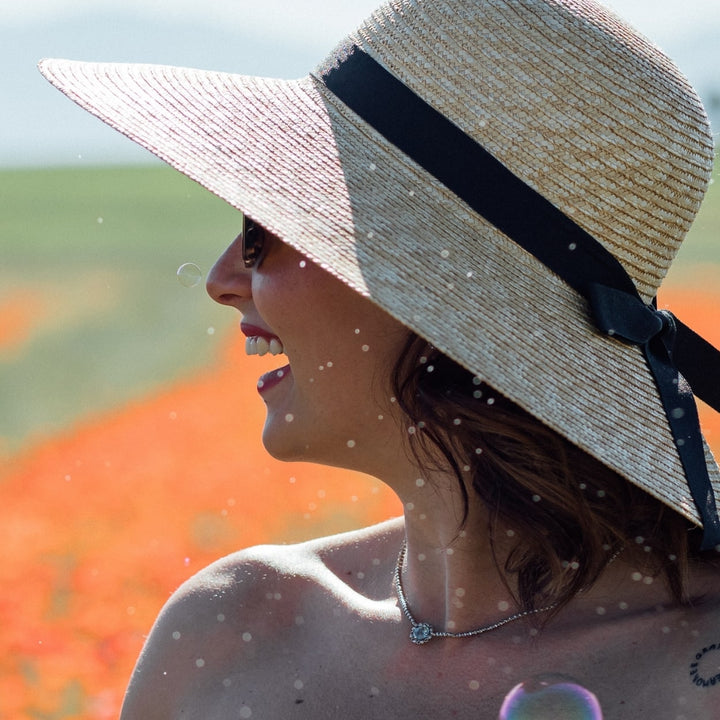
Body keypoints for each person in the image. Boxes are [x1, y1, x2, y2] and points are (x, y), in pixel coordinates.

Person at [39, 0, 720, 717]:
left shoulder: (695, 674)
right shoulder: (229, 626)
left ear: (428, 290)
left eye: (267, 229)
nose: (221, 280)